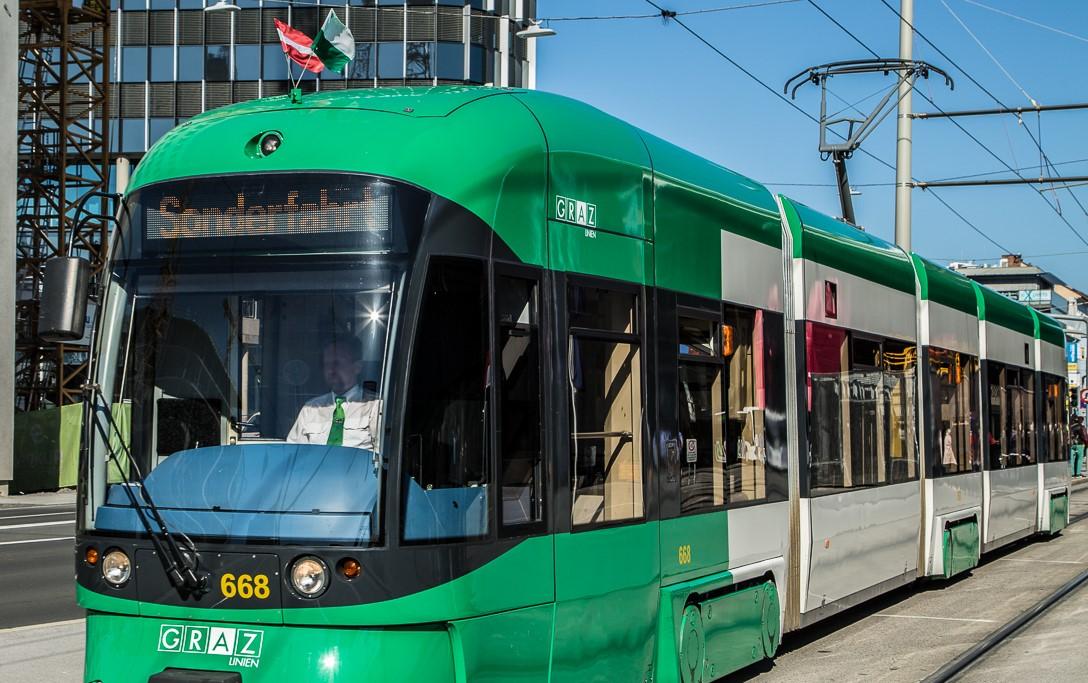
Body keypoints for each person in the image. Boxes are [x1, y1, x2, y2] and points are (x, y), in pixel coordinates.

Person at [287, 337, 380, 450]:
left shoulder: (375, 406)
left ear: (357, 367)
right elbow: (294, 454)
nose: (331, 370)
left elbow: (383, 457)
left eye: (337, 363)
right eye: (327, 364)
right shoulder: (311, 409)